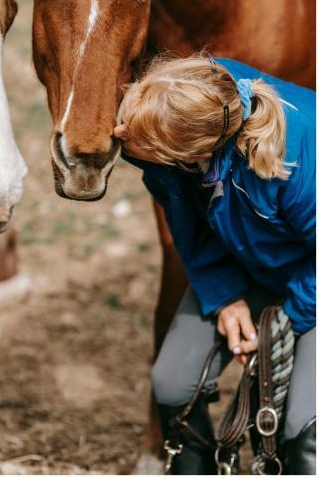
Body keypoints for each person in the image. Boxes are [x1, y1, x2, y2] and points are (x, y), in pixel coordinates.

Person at [114, 54, 315, 475]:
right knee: (172, 382)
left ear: (195, 152)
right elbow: (188, 227)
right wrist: (224, 296)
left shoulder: (303, 157)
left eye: (132, 133)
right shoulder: (185, 110)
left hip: (309, 283)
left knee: (304, 424)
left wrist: (285, 323)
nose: (118, 132)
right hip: (247, 264)